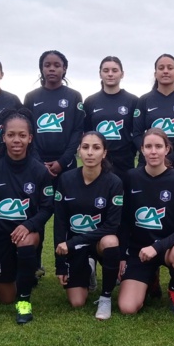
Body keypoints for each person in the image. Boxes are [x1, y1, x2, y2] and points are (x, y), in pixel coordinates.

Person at [0, 108, 53, 324]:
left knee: (25, 243)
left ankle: (24, 303)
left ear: (30, 138)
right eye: (11, 135)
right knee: (4, 297)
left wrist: (29, 225)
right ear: (3, 137)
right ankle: (23, 276)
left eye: (22, 135)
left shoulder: (40, 171)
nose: (16, 140)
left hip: (28, 233)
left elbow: (48, 207)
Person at [118, 128, 174, 316]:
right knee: (127, 308)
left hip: (167, 248)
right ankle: (150, 279)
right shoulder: (130, 178)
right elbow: (124, 221)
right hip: (139, 251)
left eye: (158, 146)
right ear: (142, 149)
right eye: (148, 146)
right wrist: (121, 255)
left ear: (167, 149)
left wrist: (157, 246)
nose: (153, 151)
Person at [23, 50, 84, 278]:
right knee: (36, 213)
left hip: (65, 165)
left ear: (64, 69)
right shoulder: (31, 97)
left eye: (56, 65)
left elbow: (78, 131)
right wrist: (39, 162)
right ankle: (34, 265)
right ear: (41, 68)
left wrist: (62, 161)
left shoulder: (74, 97)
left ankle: (67, 263)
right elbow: (27, 132)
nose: (51, 69)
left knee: (65, 215)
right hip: (36, 165)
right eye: (47, 65)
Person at [54, 132, 123, 320]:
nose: (90, 153)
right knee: (77, 302)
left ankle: (106, 297)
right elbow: (59, 223)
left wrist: (74, 241)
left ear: (104, 153)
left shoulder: (114, 183)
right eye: (85, 147)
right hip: (75, 247)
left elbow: (111, 226)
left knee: (110, 241)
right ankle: (88, 269)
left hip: (98, 242)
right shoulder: (66, 180)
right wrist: (60, 265)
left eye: (96, 148)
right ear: (79, 151)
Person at [133, 54, 174, 184]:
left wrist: (170, 158)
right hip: (148, 164)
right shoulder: (144, 100)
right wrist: (152, 155)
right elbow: (137, 134)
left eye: (170, 68)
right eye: (161, 68)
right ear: (155, 73)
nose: (166, 71)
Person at [84, 56, 138, 181]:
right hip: (98, 160)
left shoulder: (133, 101)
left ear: (122, 74)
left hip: (124, 161)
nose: (110, 74)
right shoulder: (90, 101)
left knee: (123, 198)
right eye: (106, 70)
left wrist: (130, 153)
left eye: (114, 70)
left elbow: (137, 132)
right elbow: (86, 132)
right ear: (100, 74)